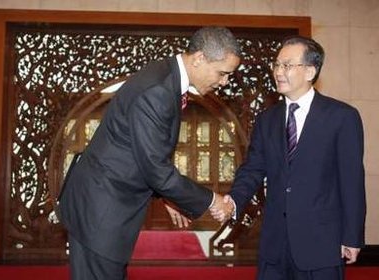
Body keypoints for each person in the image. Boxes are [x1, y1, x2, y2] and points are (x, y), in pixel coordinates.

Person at [58, 26, 241, 280]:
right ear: (200, 58)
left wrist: (165, 197)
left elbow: (136, 150)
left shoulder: (165, 74)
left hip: (105, 202)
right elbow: (155, 168)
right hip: (101, 209)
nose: (224, 82)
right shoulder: (158, 90)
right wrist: (212, 200)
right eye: (222, 73)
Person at [211, 36, 366, 279]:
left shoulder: (342, 117)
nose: (278, 72)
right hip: (274, 245)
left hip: (321, 244)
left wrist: (352, 236)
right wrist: (233, 201)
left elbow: (352, 181)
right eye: (276, 64)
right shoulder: (266, 120)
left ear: (310, 71)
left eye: (287, 65)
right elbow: (252, 169)